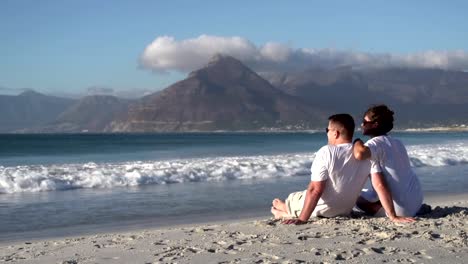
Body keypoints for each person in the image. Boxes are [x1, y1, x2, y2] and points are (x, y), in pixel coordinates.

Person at [271, 113, 415, 225]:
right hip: (344, 210)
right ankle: (284, 210)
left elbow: (315, 190)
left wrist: (303, 219)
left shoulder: (326, 152)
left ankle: (282, 211)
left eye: (327, 130)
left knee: (284, 201)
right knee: (301, 197)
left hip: (324, 210)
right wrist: (393, 216)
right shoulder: (368, 155)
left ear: (336, 133)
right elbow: (379, 185)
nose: (327, 133)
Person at [353, 105, 423, 217]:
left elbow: (359, 154)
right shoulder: (398, 142)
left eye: (365, 122)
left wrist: (356, 141)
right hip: (416, 201)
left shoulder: (375, 143)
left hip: (401, 210)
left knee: (354, 197)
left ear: (375, 124)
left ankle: (383, 211)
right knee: (370, 191)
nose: (362, 125)